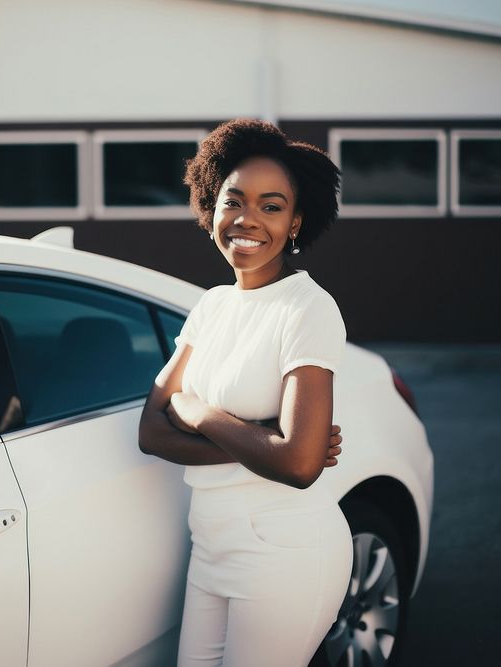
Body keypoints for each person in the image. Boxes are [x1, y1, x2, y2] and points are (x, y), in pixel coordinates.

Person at [138, 118, 352, 666]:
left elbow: (300, 465)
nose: (247, 220)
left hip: (284, 549)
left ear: (297, 222)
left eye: (272, 206)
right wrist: (259, 441)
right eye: (234, 200)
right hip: (210, 543)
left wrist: (201, 411)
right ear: (211, 207)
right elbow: (151, 429)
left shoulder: (307, 309)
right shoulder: (213, 305)